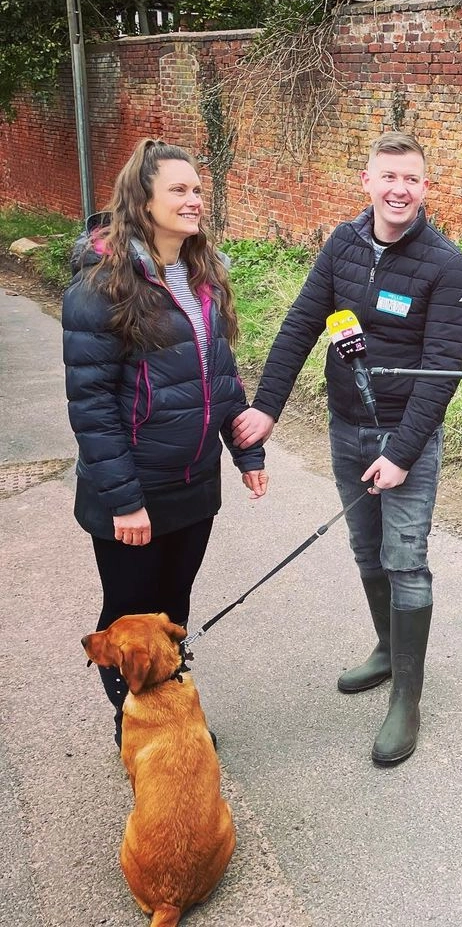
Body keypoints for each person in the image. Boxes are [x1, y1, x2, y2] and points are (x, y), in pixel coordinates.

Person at [231, 131, 462, 766]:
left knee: (405, 558)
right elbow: (301, 325)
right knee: (366, 547)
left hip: (405, 437)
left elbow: (443, 369)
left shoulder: (445, 265)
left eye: (412, 180)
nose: (400, 190)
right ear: (366, 182)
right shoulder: (341, 244)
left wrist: (403, 453)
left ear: (426, 189)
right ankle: (388, 653)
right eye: (388, 177)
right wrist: (267, 405)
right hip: (346, 428)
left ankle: (407, 700)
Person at [63, 138, 268, 749]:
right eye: (177, 189)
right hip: (133, 493)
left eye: (198, 189)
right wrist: (124, 500)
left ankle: (170, 715)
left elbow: (220, 376)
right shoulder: (102, 287)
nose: (193, 199)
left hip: (192, 487)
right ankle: (138, 730)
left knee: (171, 616)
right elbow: (92, 407)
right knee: (129, 616)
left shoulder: (200, 274)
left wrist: (246, 454)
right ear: (141, 200)